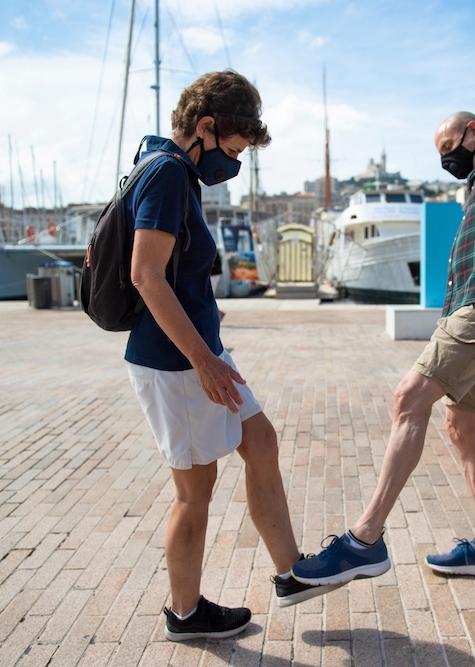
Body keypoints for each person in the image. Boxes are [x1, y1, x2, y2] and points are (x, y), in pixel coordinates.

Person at [292, 0, 475, 587]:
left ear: (474, 132)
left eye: (449, 144)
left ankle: (363, 541)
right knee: (460, 427)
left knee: (408, 398)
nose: (445, 157)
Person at [125, 71, 340, 642]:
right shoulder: (169, 174)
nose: (234, 164)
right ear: (205, 127)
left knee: (260, 440)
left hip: (202, 353)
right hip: (177, 362)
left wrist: (210, 351)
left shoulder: (170, 168)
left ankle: (292, 572)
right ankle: (187, 614)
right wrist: (202, 359)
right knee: (195, 492)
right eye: (234, 149)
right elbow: (145, 274)